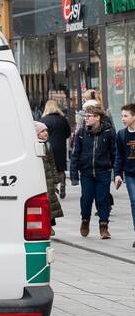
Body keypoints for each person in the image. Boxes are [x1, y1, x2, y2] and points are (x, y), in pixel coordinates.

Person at [71, 103, 115, 239]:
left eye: (89, 116)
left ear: (97, 118)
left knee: (103, 199)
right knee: (86, 199)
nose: (86, 119)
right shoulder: (81, 133)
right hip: (86, 173)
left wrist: (113, 168)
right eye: (86, 116)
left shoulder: (108, 132)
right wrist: (74, 175)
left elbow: (114, 152)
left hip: (103, 172)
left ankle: (104, 226)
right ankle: (85, 220)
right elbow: (75, 154)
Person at [35, 121, 62, 234]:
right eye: (42, 131)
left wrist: (56, 180)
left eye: (46, 130)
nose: (46, 133)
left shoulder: (48, 145)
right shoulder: (34, 145)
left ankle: (50, 225)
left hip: (49, 179)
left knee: (50, 203)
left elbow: (52, 163)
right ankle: (44, 226)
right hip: (39, 179)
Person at [114, 103, 135, 247]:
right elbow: (119, 156)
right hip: (130, 174)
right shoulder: (121, 134)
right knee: (134, 202)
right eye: (122, 116)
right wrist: (117, 174)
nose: (123, 118)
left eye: (126, 116)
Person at [41, 100, 71, 198]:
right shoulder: (62, 119)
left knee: (50, 167)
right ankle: (62, 184)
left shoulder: (43, 120)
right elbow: (68, 134)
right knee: (60, 168)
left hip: (48, 147)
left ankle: (53, 187)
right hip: (60, 147)